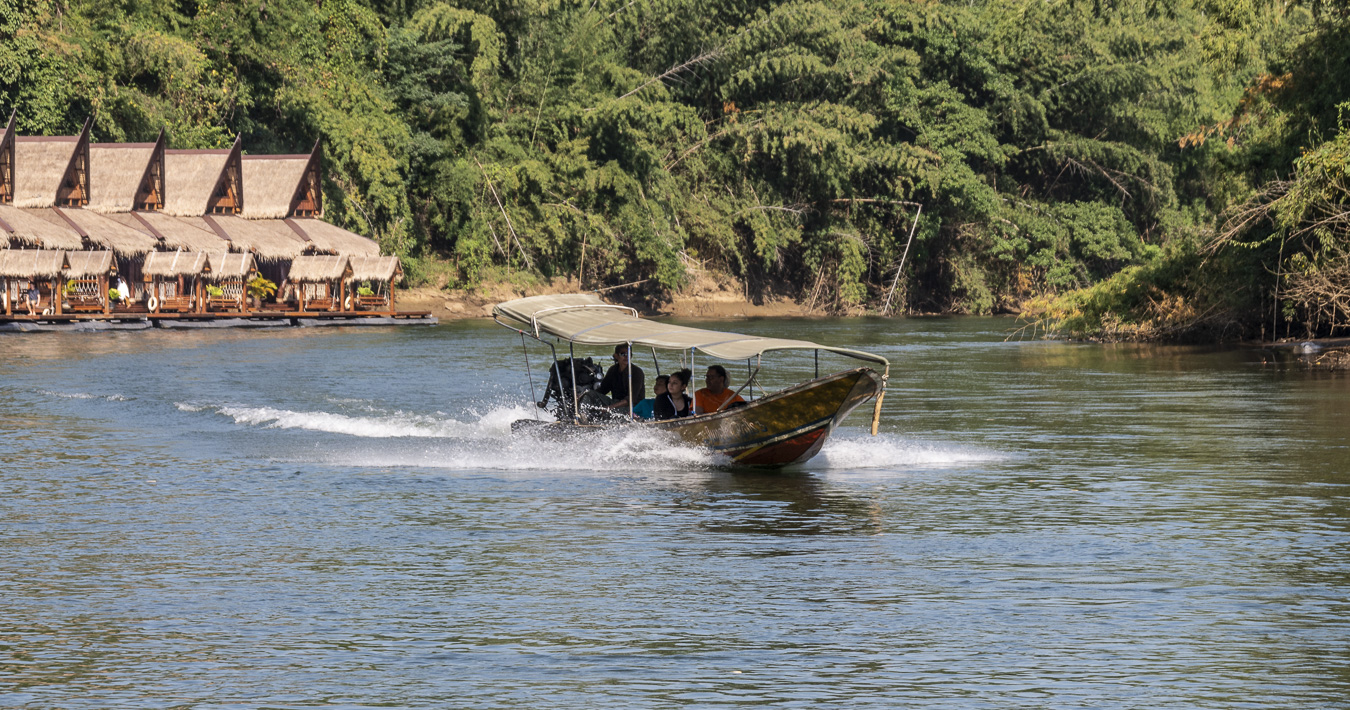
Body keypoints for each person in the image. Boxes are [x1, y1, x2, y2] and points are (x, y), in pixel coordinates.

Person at [598, 344, 645, 413]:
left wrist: (610, 407)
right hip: (615, 402)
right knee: (590, 394)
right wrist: (584, 393)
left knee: (610, 413)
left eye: (629, 354)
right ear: (616, 356)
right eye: (623, 354)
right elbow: (603, 390)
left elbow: (631, 399)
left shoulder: (637, 372)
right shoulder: (613, 370)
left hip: (633, 406)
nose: (626, 357)